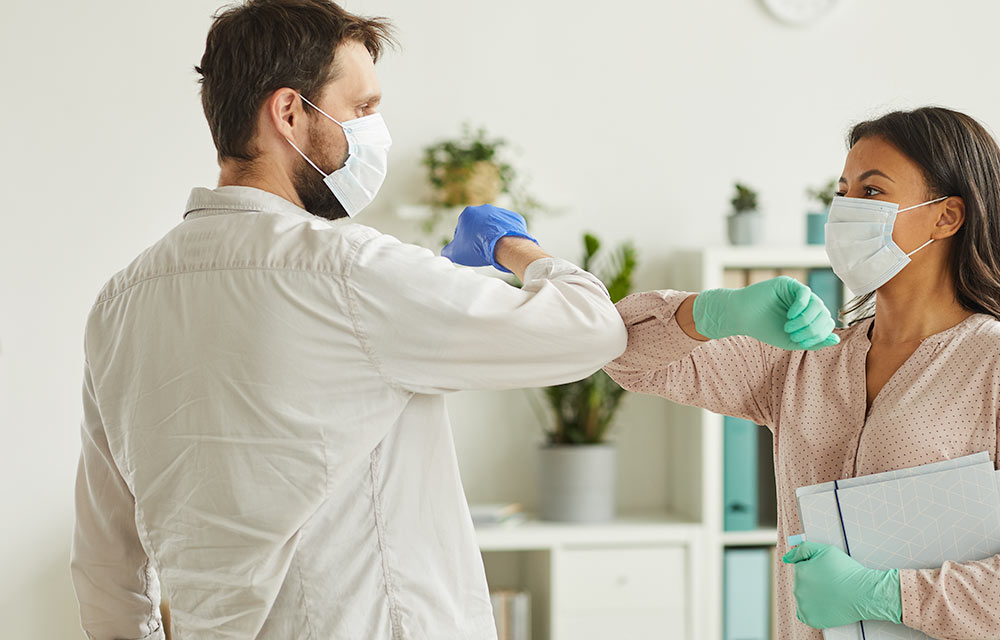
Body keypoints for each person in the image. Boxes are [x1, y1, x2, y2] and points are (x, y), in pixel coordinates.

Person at [70, 1, 625, 638]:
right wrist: (510, 245)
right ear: (288, 113)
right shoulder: (348, 271)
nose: (374, 130)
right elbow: (591, 328)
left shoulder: (119, 305)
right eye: (361, 109)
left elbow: (105, 563)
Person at [605, 107, 1000, 639]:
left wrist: (888, 594)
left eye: (871, 192)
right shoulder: (805, 354)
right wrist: (712, 312)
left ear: (946, 216)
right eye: (841, 192)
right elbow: (621, 351)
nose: (844, 209)